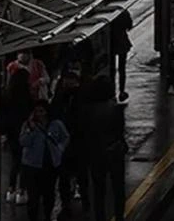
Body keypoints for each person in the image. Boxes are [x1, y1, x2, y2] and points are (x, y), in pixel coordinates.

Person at [77, 76, 126, 221]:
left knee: (98, 190)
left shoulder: (87, 110)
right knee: (118, 188)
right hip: (114, 151)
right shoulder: (116, 109)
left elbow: (83, 131)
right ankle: (119, 216)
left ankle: (100, 216)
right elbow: (120, 130)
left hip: (95, 153)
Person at [19, 99, 70, 221]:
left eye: (41, 111)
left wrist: (60, 149)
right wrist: (31, 130)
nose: (39, 114)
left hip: (50, 166)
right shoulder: (28, 125)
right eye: (36, 111)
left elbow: (66, 137)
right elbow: (23, 142)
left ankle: (47, 216)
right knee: (33, 198)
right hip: (32, 166)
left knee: (49, 195)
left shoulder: (56, 124)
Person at [50, 70, 86, 219]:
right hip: (68, 144)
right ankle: (70, 204)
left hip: (71, 143)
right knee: (70, 176)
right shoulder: (66, 99)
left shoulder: (65, 99)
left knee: (71, 175)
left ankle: (70, 204)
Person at [2, 68, 34, 205]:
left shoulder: (8, 96)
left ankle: (11, 189)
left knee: (14, 161)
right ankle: (22, 190)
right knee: (24, 162)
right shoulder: (26, 96)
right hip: (24, 132)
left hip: (11, 133)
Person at [110, 11, 133, 104]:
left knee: (111, 68)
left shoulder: (110, 13)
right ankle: (122, 91)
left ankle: (112, 91)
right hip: (123, 42)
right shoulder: (124, 13)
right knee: (122, 68)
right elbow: (129, 26)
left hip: (111, 42)